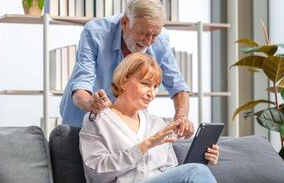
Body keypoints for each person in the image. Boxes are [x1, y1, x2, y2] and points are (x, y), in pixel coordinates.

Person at [60, 0, 192, 138]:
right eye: (143, 33)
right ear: (125, 23)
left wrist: (181, 116)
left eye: (154, 35)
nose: (148, 41)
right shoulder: (95, 32)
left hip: (126, 125)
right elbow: (81, 84)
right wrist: (91, 103)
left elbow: (178, 86)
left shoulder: (160, 40)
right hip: (83, 117)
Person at [79, 53, 219, 183]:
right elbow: (96, 173)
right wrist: (147, 144)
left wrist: (203, 161)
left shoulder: (157, 123)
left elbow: (169, 171)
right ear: (123, 81)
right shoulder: (98, 120)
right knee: (196, 171)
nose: (151, 93)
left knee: (198, 169)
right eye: (145, 83)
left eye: (156, 87)